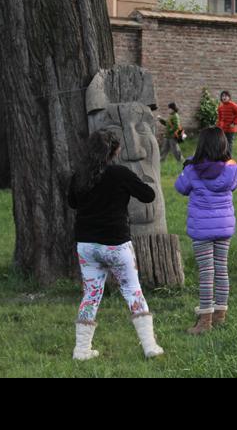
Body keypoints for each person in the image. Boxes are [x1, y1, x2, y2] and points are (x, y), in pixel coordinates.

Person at [68, 129, 164, 360]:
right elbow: (148, 195)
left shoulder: (79, 175)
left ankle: (82, 350)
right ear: (115, 150)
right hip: (116, 245)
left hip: (87, 246)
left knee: (91, 294)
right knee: (133, 292)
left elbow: (72, 203)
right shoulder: (121, 174)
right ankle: (149, 346)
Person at [175, 128, 237, 335]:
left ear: (201, 146)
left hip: (202, 228)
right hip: (224, 227)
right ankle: (220, 314)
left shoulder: (193, 169)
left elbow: (180, 187)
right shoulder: (232, 169)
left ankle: (205, 321)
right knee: (221, 269)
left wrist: (188, 164)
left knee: (206, 273)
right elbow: (234, 186)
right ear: (223, 145)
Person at [217, 91, 237, 156]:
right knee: (223, 142)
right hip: (223, 128)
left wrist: (234, 123)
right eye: (223, 96)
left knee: (229, 142)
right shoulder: (220, 107)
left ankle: (229, 157)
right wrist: (218, 126)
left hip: (231, 128)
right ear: (221, 98)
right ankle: (224, 156)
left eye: (226, 96)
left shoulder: (233, 106)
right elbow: (220, 118)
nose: (224, 97)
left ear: (229, 97)